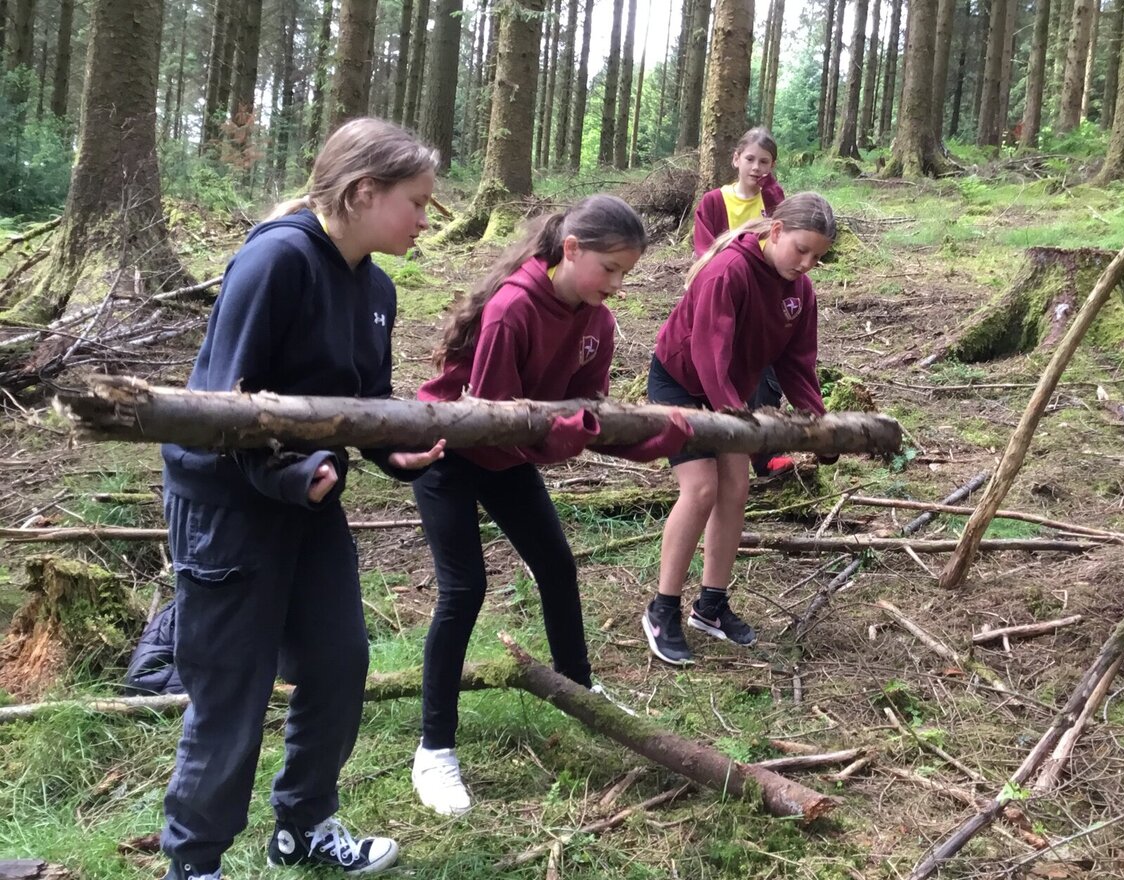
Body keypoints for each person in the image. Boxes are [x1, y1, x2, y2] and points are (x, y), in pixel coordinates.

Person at [158, 117, 445, 880]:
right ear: (362, 192)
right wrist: (293, 472)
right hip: (227, 503)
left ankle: (304, 825)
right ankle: (194, 865)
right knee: (233, 691)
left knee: (339, 661)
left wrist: (397, 451)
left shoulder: (376, 287)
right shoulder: (276, 262)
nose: (426, 218)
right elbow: (223, 405)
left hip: (309, 501)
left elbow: (364, 402)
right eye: (416, 202)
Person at [409, 194, 692, 817]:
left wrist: (657, 441)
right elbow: (489, 420)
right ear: (570, 249)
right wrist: (567, 436)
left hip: (507, 456)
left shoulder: (598, 322)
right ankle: (435, 750)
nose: (617, 285)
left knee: (558, 568)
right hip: (450, 450)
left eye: (627, 273)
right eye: (609, 269)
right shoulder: (512, 308)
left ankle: (577, 689)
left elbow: (585, 420)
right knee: (464, 592)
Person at [642, 193, 840, 667]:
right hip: (682, 383)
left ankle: (710, 605)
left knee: (736, 488)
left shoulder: (799, 291)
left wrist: (819, 421)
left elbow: (797, 363)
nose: (807, 263)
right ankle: (661, 609)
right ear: (775, 232)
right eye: (801, 250)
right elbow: (710, 352)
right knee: (702, 487)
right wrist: (733, 415)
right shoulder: (729, 270)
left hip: (734, 390)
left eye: (818, 256)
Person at [693, 127, 795, 479]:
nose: (756, 167)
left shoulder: (772, 200)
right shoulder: (714, 200)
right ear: (736, 159)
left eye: (764, 162)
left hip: (765, 298)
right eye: (750, 159)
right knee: (722, 366)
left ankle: (767, 455)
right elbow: (704, 251)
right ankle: (721, 441)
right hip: (724, 291)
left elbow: (787, 235)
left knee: (765, 372)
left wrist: (772, 192)